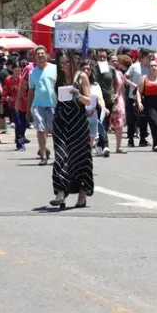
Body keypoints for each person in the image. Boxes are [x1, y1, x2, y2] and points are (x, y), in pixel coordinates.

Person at [51, 50, 94, 209]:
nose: (64, 66)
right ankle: (60, 192)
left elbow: (88, 100)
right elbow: (58, 101)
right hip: (61, 121)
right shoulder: (58, 78)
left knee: (80, 157)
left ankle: (82, 194)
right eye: (61, 64)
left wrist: (77, 94)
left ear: (72, 61)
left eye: (67, 63)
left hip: (78, 122)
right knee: (61, 155)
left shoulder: (81, 76)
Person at [23, 46, 57, 165]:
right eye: (38, 54)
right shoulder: (32, 73)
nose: (41, 56)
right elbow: (31, 91)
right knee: (41, 130)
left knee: (55, 132)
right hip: (38, 105)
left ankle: (58, 155)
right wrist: (28, 109)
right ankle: (43, 155)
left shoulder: (55, 69)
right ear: (35, 57)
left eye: (43, 53)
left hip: (53, 105)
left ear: (47, 55)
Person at [7, 58, 29, 152]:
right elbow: (6, 92)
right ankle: (20, 144)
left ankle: (20, 137)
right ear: (12, 70)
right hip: (14, 105)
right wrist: (7, 98)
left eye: (19, 70)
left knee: (24, 124)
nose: (17, 72)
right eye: (15, 70)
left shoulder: (24, 79)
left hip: (25, 104)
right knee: (18, 123)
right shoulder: (8, 79)